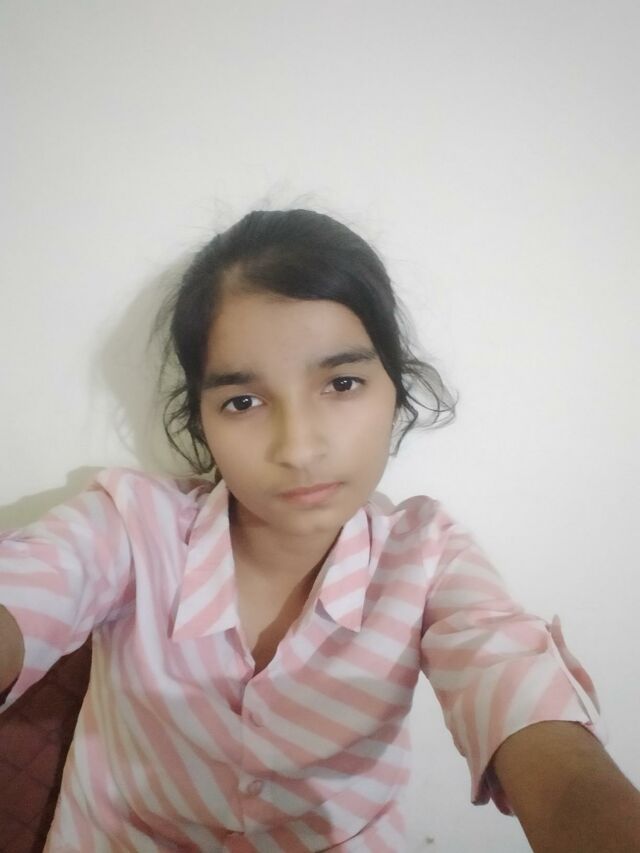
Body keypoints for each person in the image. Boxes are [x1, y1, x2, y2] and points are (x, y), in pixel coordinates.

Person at [0, 208, 638, 853]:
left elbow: (511, 682)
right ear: (201, 419)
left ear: (396, 391)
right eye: (242, 401)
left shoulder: (427, 558)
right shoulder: (128, 527)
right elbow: (35, 582)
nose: (299, 447)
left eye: (342, 382)